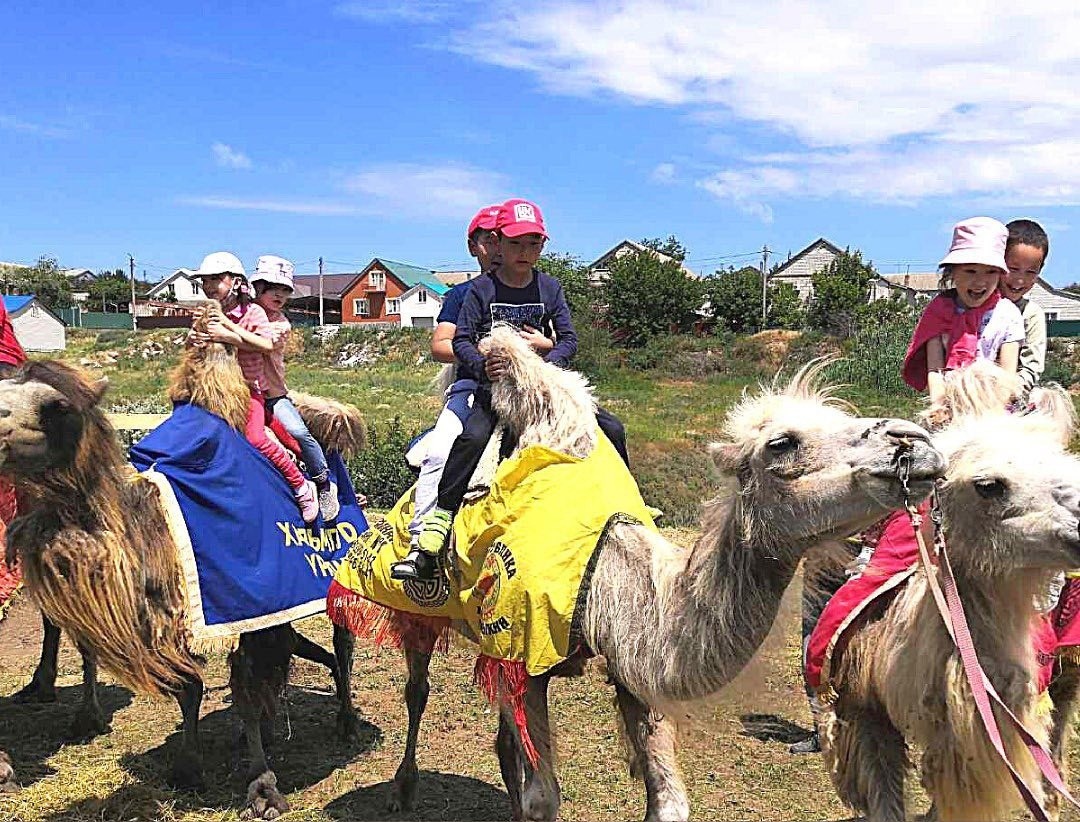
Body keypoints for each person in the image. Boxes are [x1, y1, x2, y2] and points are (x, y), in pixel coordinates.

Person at [393, 198, 630, 581]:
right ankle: (436, 526)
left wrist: (544, 359)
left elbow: (569, 339)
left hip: (539, 385)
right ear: (497, 244)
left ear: (543, 247)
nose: (525, 252)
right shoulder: (478, 291)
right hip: (492, 387)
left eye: (533, 244)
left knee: (611, 427)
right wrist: (483, 365)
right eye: (516, 243)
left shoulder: (549, 288)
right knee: (469, 437)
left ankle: (628, 504)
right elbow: (462, 341)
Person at [188, 252, 318, 523]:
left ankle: (304, 485)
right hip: (217, 391)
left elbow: (264, 344)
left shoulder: (258, 314)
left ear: (236, 282)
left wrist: (226, 333)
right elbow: (197, 348)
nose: (210, 286)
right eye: (205, 281)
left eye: (216, 279)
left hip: (250, 390)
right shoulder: (211, 312)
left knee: (261, 437)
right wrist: (195, 338)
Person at [404, 205, 501, 551]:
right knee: (441, 452)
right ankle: (421, 542)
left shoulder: (533, 290)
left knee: (600, 431)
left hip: (528, 390)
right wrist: (487, 352)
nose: (496, 247)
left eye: (502, 239)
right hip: (474, 387)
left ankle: (624, 511)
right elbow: (440, 346)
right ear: (473, 246)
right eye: (487, 240)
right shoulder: (460, 296)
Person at [251, 254, 339, 521]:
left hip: (273, 396)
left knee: (298, 432)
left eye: (284, 291)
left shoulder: (280, 324)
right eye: (272, 288)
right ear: (259, 289)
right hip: (244, 393)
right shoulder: (243, 314)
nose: (279, 295)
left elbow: (260, 342)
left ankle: (323, 481)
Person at [902, 216, 1025, 400]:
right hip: (949, 404)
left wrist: (992, 412)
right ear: (952, 272)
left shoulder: (1008, 316)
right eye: (970, 271)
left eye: (991, 272)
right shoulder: (938, 312)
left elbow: (1007, 378)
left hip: (993, 406)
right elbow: (935, 371)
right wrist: (939, 406)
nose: (980, 282)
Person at [1000, 219, 1049, 396]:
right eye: (1013, 268)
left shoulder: (1031, 314)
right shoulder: (974, 303)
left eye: (1031, 272)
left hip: (1008, 400)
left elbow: (1031, 370)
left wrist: (1001, 394)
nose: (1020, 280)